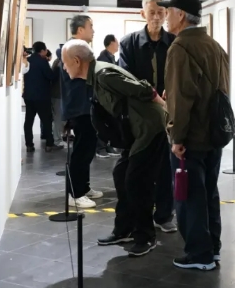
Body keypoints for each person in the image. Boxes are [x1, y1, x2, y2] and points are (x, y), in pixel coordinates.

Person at [61, 39, 167, 257]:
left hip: (149, 129)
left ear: (77, 61)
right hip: (137, 131)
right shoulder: (97, 75)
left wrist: (166, 108)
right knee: (121, 174)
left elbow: (144, 89)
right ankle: (124, 229)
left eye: (65, 62)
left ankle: (146, 236)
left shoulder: (103, 74)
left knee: (136, 181)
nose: (64, 67)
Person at [162, 0, 228, 271]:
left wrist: (176, 137)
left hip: (192, 137)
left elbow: (181, 97)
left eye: (168, 11)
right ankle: (212, 248)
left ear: (180, 15)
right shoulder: (214, 45)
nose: (165, 17)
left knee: (189, 197)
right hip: (215, 133)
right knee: (209, 192)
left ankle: (199, 254)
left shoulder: (180, 47)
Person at [118, 0, 177, 233]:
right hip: (139, 116)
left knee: (165, 167)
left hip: (167, 115)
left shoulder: (174, 42)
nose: (156, 17)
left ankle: (164, 214)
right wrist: (151, 97)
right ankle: (138, 218)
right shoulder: (129, 43)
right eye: (152, 12)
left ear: (166, 14)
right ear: (143, 14)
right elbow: (125, 79)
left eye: (161, 12)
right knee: (138, 167)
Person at [58, 15, 103, 209]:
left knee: (88, 149)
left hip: (86, 106)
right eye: (90, 26)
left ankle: (83, 187)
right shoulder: (69, 51)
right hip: (79, 107)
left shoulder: (82, 51)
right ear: (80, 29)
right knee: (81, 151)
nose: (93, 30)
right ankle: (74, 193)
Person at [22, 42, 63, 153]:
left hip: (28, 96)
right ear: (43, 51)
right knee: (46, 120)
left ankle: (29, 145)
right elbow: (50, 76)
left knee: (28, 121)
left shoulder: (28, 60)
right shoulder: (43, 61)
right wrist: (57, 69)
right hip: (42, 96)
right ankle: (49, 144)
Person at [96, 34, 121, 159]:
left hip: (110, 96)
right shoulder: (103, 58)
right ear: (111, 43)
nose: (118, 45)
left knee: (110, 122)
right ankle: (100, 148)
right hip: (103, 96)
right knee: (102, 123)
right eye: (116, 42)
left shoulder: (110, 57)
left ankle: (108, 146)